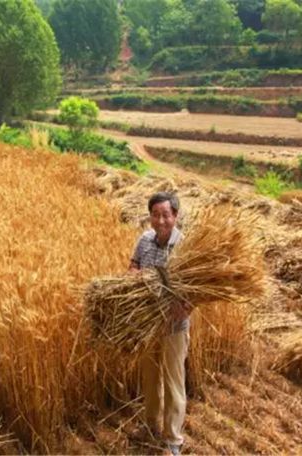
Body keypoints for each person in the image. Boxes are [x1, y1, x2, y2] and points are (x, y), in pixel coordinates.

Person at [129, 191, 191, 456]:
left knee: (174, 380)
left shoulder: (185, 246)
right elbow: (133, 264)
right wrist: (135, 275)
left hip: (174, 326)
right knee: (151, 376)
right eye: (155, 215)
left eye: (166, 215)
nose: (161, 220)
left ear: (175, 216)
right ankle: (150, 425)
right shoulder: (144, 240)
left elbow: (197, 287)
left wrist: (186, 307)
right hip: (148, 322)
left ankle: (173, 439)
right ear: (150, 216)